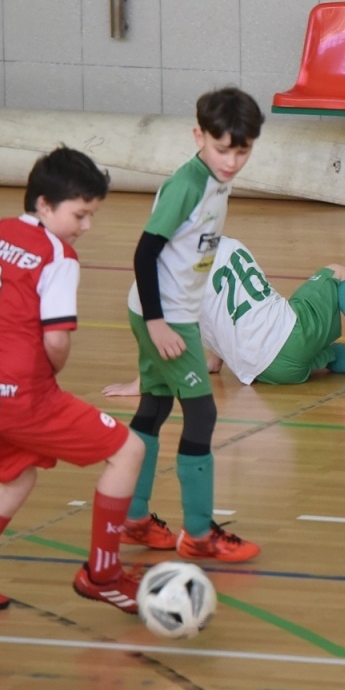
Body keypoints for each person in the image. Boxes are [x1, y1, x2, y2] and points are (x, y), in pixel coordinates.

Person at [0, 146, 145, 617]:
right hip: (23, 397)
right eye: (80, 215)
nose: (86, 227)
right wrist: (52, 370)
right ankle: (102, 575)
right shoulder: (57, 256)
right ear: (44, 203)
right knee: (128, 450)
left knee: (15, 481)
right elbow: (57, 340)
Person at [120, 87, 264, 564]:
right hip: (164, 318)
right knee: (201, 416)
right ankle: (199, 534)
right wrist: (160, 324)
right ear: (198, 135)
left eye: (242, 151)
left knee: (154, 410)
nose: (232, 161)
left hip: (162, 311)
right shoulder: (187, 184)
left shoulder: (216, 179)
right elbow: (145, 252)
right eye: (223, 149)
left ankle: (133, 519)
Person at [104, 236, 345, 396]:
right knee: (336, 271)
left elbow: (163, 332)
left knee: (323, 356)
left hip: (268, 372)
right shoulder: (230, 244)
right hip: (291, 336)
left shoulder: (171, 276)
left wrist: (141, 384)